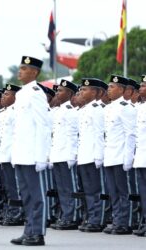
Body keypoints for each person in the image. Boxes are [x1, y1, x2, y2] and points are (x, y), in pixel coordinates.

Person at [10, 56, 50, 246]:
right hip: (21, 154)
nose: (20, 71)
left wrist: (42, 156)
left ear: (35, 72)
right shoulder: (21, 94)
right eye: (20, 68)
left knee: (37, 196)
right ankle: (28, 230)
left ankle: (38, 233)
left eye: (25, 68)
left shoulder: (36, 93)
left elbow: (44, 126)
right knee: (26, 195)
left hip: (34, 155)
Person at [103, 75, 136, 235]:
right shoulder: (108, 108)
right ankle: (117, 220)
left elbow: (130, 135)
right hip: (110, 156)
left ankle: (126, 222)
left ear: (122, 90)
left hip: (121, 156)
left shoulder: (126, 108)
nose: (109, 89)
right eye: (108, 86)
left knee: (123, 192)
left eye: (112, 87)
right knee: (113, 192)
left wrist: (128, 158)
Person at [77, 78, 107, 232]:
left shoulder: (98, 110)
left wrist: (98, 156)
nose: (81, 92)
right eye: (81, 89)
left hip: (94, 155)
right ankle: (91, 217)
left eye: (85, 89)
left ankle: (98, 219)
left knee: (97, 190)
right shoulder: (84, 110)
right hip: (84, 155)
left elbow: (99, 135)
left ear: (96, 92)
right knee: (88, 190)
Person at [49, 79, 80, 230]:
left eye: (61, 91)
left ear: (69, 93)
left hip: (67, 155)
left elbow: (73, 135)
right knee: (61, 188)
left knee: (70, 188)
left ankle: (72, 217)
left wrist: (72, 155)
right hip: (57, 154)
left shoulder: (71, 112)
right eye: (58, 90)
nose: (57, 93)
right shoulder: (59, 111)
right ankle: (65, 215)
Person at [0, 83, 23, 226]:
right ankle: (12, 210)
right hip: (4, 154)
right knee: (9, 186)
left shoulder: (17, 112)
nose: (3, 97)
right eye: (3, 94)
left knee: (16, 186)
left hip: (13, 154)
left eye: (6, 94)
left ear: (15, 97)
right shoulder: (4, 112)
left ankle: (18, 212)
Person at [133, 75, 146, 237]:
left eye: (143, 86)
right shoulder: (140, 108)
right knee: (143, 191)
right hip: (141, 156)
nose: (141, 88)